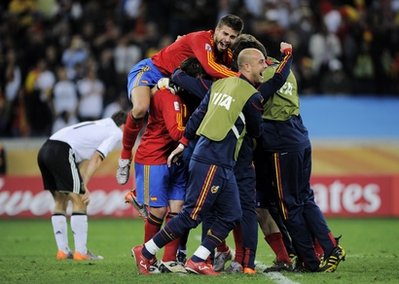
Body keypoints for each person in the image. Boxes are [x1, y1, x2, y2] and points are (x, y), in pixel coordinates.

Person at [131, 48, 267, 275]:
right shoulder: (252, 97)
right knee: (192, 214)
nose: (265, 66)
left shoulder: (219, 85)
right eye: (261, 62)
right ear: (246, 67)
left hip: (215, 158)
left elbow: (198, 115)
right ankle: (145, 252)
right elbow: (256, 130)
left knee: (232, 213)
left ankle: (197, 259)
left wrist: (184, 143)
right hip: (213, 158)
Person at [116, 14, 244, 186]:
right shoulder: (201, 39)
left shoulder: (226, 54)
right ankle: (125, 157)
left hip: (174, 83)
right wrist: (243, 78)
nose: (227, 39)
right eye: (225, 34)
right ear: (217, 30)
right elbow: (211, 69)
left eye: (232, 37)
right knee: (140, 108)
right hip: (151, 70)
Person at [254, 53, 347, 272]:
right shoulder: (286, 72)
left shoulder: (261, 77)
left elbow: (261, 99)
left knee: (288, 205)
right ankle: (330, 246)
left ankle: (309, 260)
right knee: (305, 198)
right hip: (299, 136)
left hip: (281, 142)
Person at [37, 111, 127, 261]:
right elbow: (97, 158)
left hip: (45, 150)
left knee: (60, 201)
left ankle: (63, 251)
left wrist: (81, 183)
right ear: (124, 125)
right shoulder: (116, 132)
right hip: (62, 151)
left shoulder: (100, 124)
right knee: (80, 201)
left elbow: (79, 161)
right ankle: (81, 252)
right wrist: (83, 187)